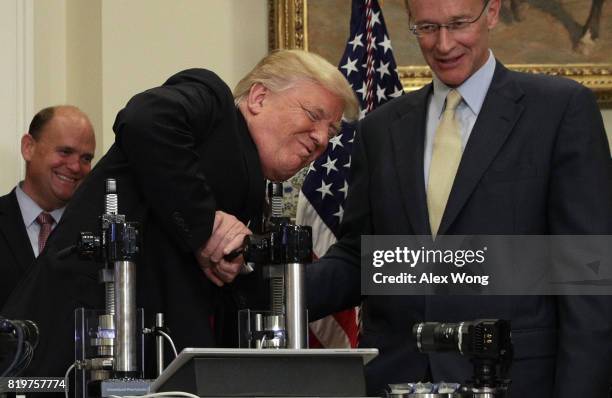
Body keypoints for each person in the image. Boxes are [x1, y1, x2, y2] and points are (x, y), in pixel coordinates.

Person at [305, 0, 612, 397]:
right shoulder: (380, 129)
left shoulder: (559, 110)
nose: (444, 44)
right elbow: (362, 258)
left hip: (515, 379)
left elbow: (587, 273)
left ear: (494, 12)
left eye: (459, 24)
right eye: (428, 28)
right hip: (398, 378)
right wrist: (273, 287)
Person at [1, 50, 359, 378]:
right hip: (70, 349)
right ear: (259, 97)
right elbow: (144, 120)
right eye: (314, 116)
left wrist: (377, 271)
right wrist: (205, 228)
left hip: (152, 360)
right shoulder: (211, 100)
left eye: (331, 131)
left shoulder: (255, 198)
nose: (321, 140)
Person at [0, 105, 95, 306]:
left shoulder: (95, 234)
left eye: (86, 158)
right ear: (28, 148)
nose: (76, 166)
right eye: (65, 151)